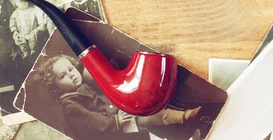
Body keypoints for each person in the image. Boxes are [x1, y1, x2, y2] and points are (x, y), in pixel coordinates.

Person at [38, 55, 201, 140]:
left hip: (116, 116)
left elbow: (102, 94)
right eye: (62, 76)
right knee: (142, 122)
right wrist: (116, 122)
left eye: (71, 69)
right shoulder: (70, 105)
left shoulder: (81, 87)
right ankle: (181, 119)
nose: (71, 75)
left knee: (144, 114)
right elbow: (92, 122)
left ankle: (182, 118)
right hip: (110, 131)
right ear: (55, 86)